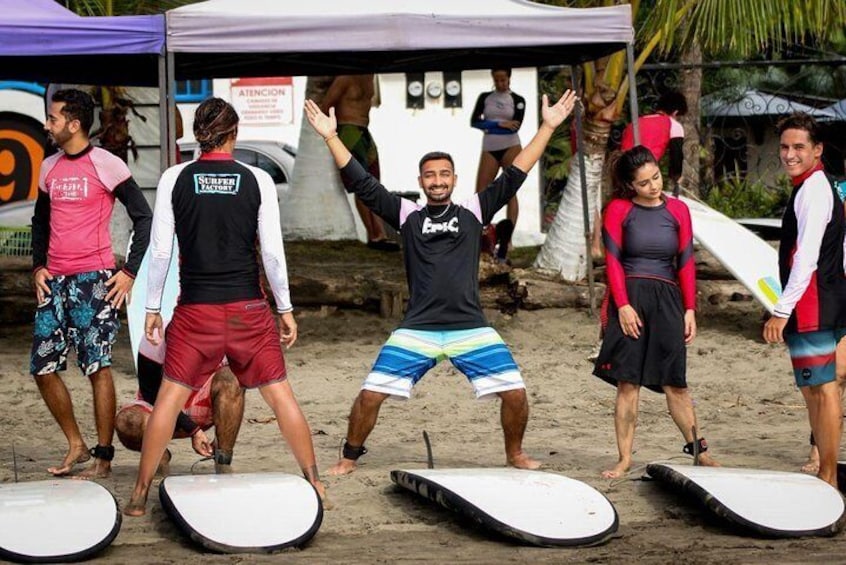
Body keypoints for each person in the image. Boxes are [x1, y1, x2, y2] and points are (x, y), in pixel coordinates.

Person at [304, 89, 578, 476]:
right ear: (421, 179)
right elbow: (363, 184)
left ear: (453, 178)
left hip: (470, 327)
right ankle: (349, 457)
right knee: (369, 396)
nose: (437, 181)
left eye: (443, 174)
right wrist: (332, 137)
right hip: (419, 328)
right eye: (430, 175)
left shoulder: (474, 210)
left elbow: (516, 172)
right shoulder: (407, 214)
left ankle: (515, 454)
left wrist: (548, 127)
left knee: (515, 394)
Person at [124, 98, 325, 516]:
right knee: (282, 397)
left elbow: (160, 253)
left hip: (196, 311)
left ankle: (139, 495)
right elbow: (272, 253)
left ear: (198, 134)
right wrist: (285, 308)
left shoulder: (174, 178)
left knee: (166, 401)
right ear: (233, 133)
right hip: (248, 310)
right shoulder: (257, 180)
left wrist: (152, 307)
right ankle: (315, 481)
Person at [31, 88, 152, 478]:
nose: (48, 125)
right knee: (43, 367)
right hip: (55, 281)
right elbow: (40, 223)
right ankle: (76, 444)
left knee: (96, 367)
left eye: (53, 118)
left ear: (75, 123)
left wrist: (129, 272)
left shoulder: (108, 164)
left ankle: (103, 457)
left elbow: (145, 218)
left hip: (94, 280)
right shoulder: (48, 167)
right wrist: (37, 267)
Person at [593, 145, 719, 479]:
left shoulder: (678, 210)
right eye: (645, 182)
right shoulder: (618, 209)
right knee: (628, 383)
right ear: (630, 185)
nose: (654, 186)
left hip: (668, 300)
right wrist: (621, 305)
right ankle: (624, 459)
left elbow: (686, 263)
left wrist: (690, 309)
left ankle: (699, 451)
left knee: (676, 383)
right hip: (631, 296)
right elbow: (613, 261)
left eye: (657, 177)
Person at [764, 113, 846, 488]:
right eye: (784, 146)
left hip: (813, 302)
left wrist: (781, 310)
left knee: (821, 390)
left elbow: (806, 255)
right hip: (829, 295)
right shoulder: (818, 185)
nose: (790, 154)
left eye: (799, 147)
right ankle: (826, 470)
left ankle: (828, 476)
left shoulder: (813, 189)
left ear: (817, 150)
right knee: (819, 388)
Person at [115, 329, 244, 476]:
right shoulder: (157, 335)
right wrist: (192, 429)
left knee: (232, 378)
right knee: (127, 421)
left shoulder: (227, 331)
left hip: (204, 401)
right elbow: (150, 393)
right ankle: (159, 458)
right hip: (161, 406)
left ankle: (223, 460)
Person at [592, 90, 688, 258]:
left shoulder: (635, 123)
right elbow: (676, 154)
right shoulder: (673, 124)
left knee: (615, 206)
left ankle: (599, 246)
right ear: (676, 112)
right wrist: (676, 176)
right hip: (643, 174)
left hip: (621, 169)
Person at [321, 74, 398, 251]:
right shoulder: (344, 78)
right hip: (347, 129)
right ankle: (374, 235)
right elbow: (326, 106)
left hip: (364, 131)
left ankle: (381, 234)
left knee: (374, 183)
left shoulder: (370, 77)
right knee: (360, 183)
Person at [471, 69, 526, 262]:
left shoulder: (517, 99)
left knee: (510, 191)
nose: (501, 83)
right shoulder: (485, 97)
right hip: (490, 146)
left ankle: (507, 238)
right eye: (497, 80)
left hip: (510, 146)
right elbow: (475, 122)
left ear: (509, 78)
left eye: (503, 79)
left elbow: (516, 124)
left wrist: (491, 124)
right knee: (481, 191)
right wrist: (499, 125)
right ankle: (482, 233)